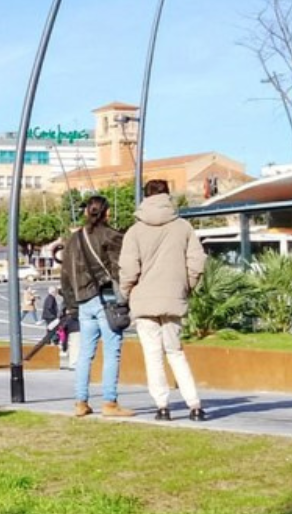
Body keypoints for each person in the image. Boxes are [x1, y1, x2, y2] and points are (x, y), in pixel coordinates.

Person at [119, 179, 207, 422]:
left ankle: (162, 406)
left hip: (143, 300)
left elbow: (128, 269)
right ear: (168, 196)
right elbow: (197, 262)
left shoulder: (134, 231)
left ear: (145, 197)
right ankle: (195, 404)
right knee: (176, 352)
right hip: (173, 298)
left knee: (153, 355)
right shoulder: (183, 227)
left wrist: (126, 293)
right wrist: (186, 286)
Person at [59, 195, 133, 418]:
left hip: (83, 303)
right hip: (105, 299)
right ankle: (109, 403)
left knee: (85, 354)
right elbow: (121, 269)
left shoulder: (73, 240)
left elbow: (65, 275)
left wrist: (72, 304)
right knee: (112, 352)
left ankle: (80, 402)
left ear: (86, 213)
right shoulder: (112, 237)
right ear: (107, 213)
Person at [26, 286, 65, 362]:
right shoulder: (51, 298)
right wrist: (54, 315)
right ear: (53, 292)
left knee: (51, 330)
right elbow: (50, 307)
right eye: (56, 292)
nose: (56, 293)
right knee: (53, 330)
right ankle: (54, 341)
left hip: (48, 316)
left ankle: (50, 341)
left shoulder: (49, 297)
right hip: (50, 316)